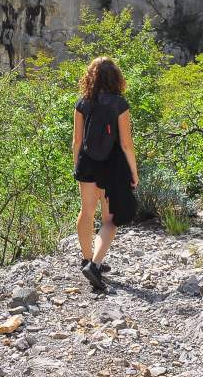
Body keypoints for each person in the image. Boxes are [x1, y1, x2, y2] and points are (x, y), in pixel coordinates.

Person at [72, 56, 139, 291]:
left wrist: (77, 167)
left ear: (91, 77)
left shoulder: (82, 102)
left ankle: (87, 258)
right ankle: (95, 265)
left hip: (87, 164)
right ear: (116, 78)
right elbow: (126, 144)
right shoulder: (120, 104)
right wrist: (134, 171)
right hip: (112, 167)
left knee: (86, 211)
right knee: (109, 219)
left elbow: (77, 141)